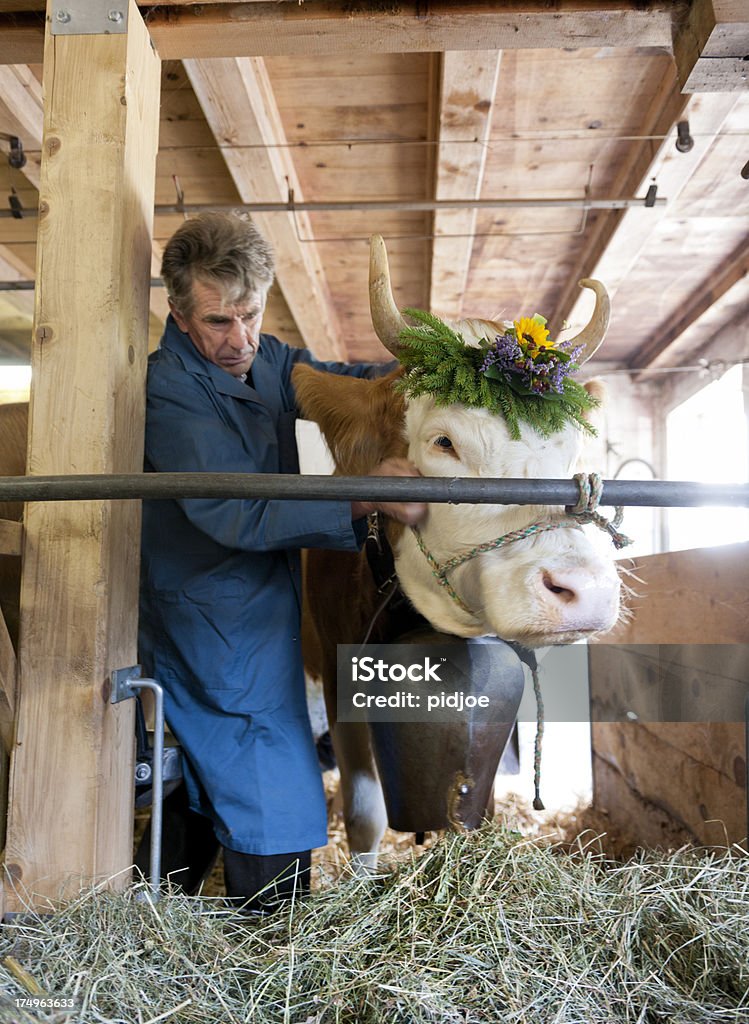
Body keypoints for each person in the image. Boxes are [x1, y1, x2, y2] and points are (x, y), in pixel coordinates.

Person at [136, 212, 425, 911]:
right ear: (176, 312)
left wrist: (429, 378)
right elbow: (234, 510)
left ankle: (167, 903)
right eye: (217, 323)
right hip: (206, 608)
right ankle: (270, 937)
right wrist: (365, 498)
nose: (239, 341)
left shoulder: (259, 355)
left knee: (229, 766)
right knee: (263, 772)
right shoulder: (169, 390)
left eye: (250, 315)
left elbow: (337, 377)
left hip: (259, 600)